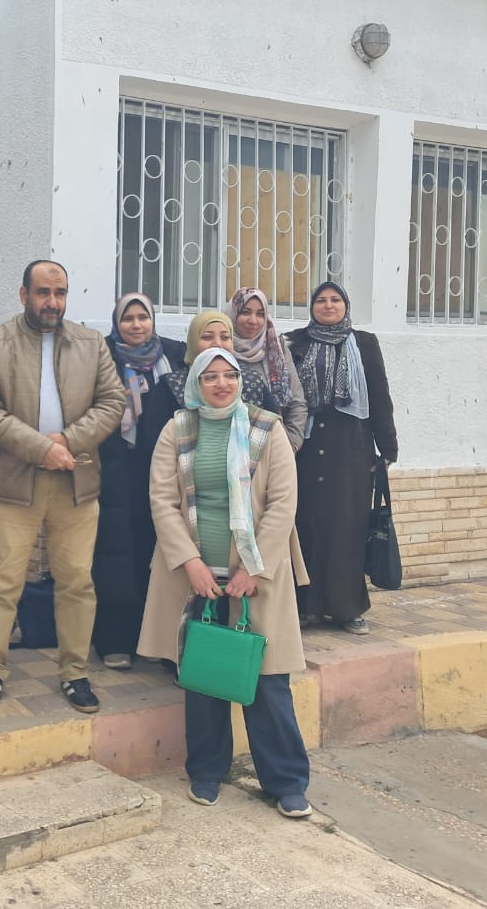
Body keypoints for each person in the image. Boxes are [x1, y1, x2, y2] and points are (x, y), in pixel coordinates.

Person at [136, 348, 313, 818]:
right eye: (210, 376)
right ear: (196, 383)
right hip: (196, 578)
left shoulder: (267, 428)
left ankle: (287, 782)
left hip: (257, 576)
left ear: (240, 381)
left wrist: (253, 567)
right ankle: (207, 772)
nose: (221, 384)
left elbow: (283, 503)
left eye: (229, 375)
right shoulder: (177, 429)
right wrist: (190, 562)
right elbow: (162, 501)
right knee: (205, 677)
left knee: (268, 681)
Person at [0, 259, 125, 715]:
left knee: (76, 582)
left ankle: (75, 672)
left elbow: (112, 401)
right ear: (24, 295)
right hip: (14, 484)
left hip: (76, 481)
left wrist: (67, 443)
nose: (52, 302)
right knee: (2, 583)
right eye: (43, 292)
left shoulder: (91, 344)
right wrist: (41, 449)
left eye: (60, 293)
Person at [286, 282, 398, 634]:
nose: (328, 305)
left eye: (335, 299)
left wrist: (388, 449)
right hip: (306, 451)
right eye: (321, 300)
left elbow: (379, 396)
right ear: (312, 307)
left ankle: (347, 609)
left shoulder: (364, 343)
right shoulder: (294, 342)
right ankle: (306, 608)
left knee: (347, 530)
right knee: (306, 528)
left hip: (351, 452)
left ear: (346, 305)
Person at [91, 293, 186, 670]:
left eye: (142, 317)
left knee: (158, 552)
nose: (135, 325)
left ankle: (158, 641)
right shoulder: (103, 356)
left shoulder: (174, 355)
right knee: (116, 554)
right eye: (127, 318)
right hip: (117, 470)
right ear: (117, 323)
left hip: (164, 470)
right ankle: (116, 641)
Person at [227, 287, 307, 450]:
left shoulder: (276, 349)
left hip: (275, 448)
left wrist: (291, 444)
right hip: (230, 448)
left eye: (260, 314)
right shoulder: (222, 350)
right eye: (245, 312)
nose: (253, 320)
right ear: (233, 314)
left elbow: (297, 403)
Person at [166, 310, 277, 412]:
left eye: (225, 338)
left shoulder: (252, 381)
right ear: (193, 342)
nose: (218, 344)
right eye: (207, 337)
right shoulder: (172, 385)